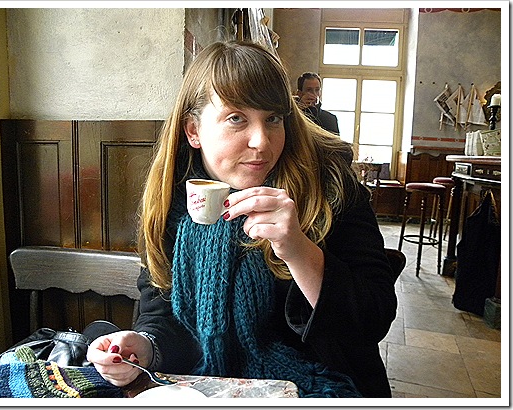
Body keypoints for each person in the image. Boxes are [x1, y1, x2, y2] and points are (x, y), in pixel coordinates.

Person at [86, 41, 397, 398]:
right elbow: (163, 312)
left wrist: (298, 250)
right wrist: (143, 345)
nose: (262, 142)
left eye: (273, 118)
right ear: (193, 130)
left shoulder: (331, 187)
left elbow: (373, 319)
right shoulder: (172, 200)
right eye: (237, 118)